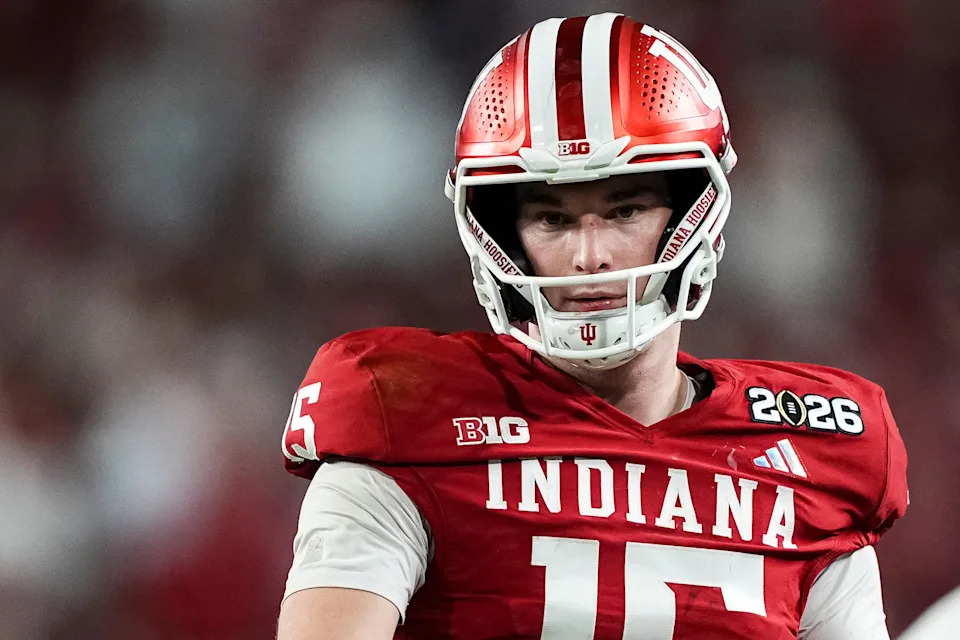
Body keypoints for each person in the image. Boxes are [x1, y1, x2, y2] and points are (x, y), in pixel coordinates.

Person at [276, 13, 908, 640]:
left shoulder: (811, 461)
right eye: (552, 220)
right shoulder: (405, 422)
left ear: (693, 217)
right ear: (505, 238)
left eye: (624, 209)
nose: (589, 256)